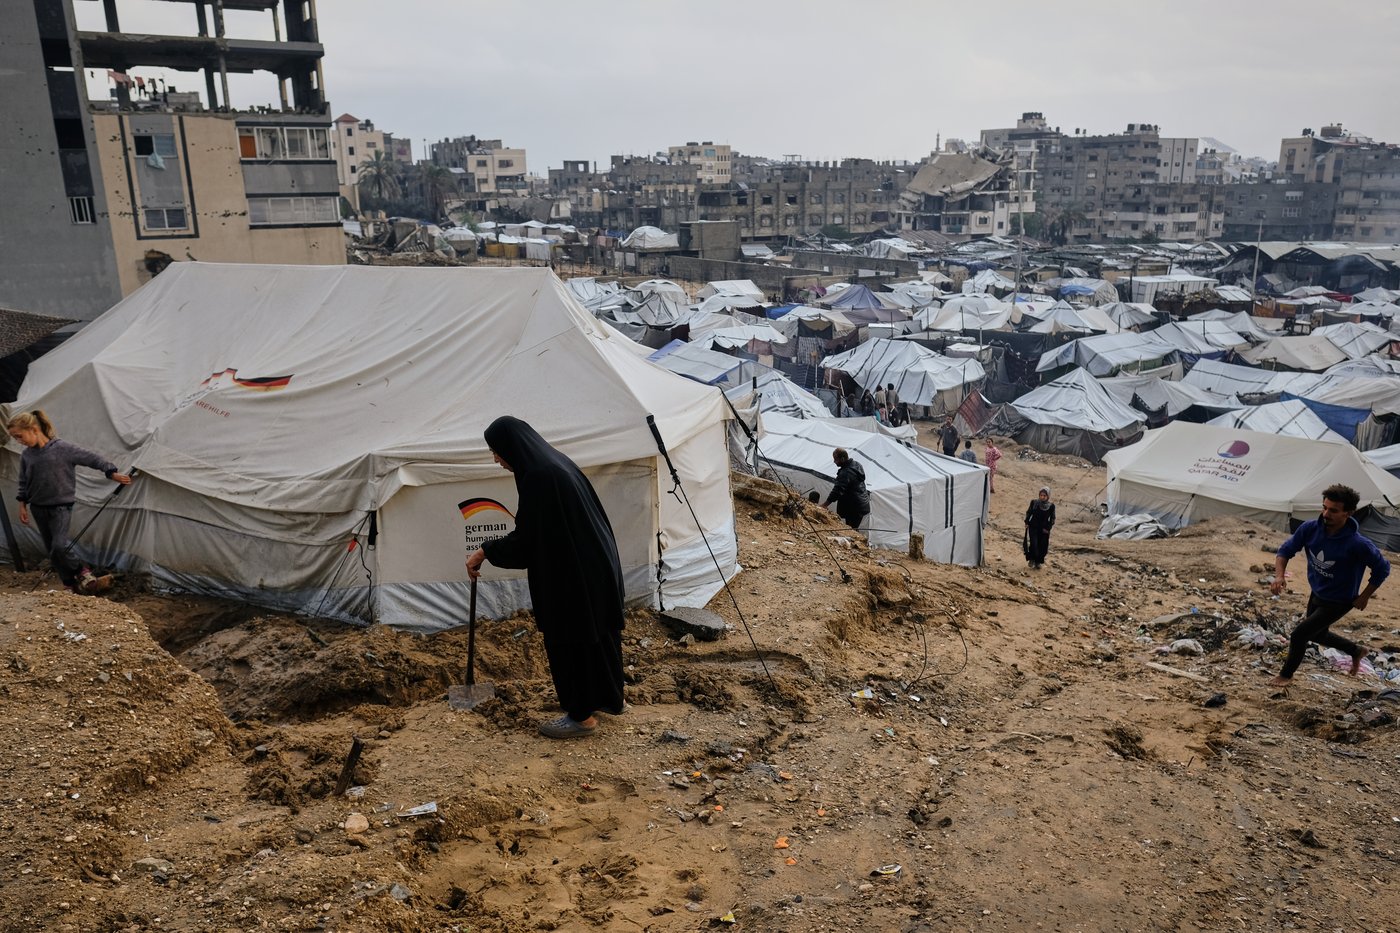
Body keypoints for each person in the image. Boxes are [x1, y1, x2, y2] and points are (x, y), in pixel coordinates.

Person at [465, 416, 626, 739]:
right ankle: (609, 700)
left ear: (511, 448)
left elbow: (527, 543)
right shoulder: (554, 463)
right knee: (597, 636)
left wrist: (485, 551)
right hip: (595, 565)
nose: (495, 459)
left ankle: (581, 717)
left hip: (573, 577)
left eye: (496, 452)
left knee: (570, 640)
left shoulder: (540, 477)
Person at [1268, 483, 1389, 686]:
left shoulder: (1358, 544)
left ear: (1348, 513)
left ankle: (1285, 675)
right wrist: (1279, 576)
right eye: (1324, 507)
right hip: (1317, 592)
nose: (1326, 513)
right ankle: (1357, 650)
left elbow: (1382, 568)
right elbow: (1284, 551)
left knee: (1299, 635)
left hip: (1340, 600)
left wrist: (1365, 595)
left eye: (1333, 510)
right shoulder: (1310, 529)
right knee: (1317, 634)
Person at [7, 410, 131, 594]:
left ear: (33, 429)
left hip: (60, 507)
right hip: (38, 508)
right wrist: (22, 504)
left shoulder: (63, 449)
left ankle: (82, 572)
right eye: (16, 438)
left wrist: (111, 472)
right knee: (52, 550)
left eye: (19, 436)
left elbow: (92, 458)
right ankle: (69, 585)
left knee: (59, 546)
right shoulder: (27, 455)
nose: (19, 441)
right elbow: (24, 481)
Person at [823, 447, 870, 531]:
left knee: (851, 528)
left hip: (854, 506)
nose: (834, 462)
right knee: (853, 527)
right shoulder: (857, 464)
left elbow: (837, 490)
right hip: (861, 503)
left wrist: (825, 504)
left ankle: (855, 542)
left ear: (842, 458)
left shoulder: (846, 472)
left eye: (836, 459)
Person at [1024, 486, 1055, 568]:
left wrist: (1048, 527)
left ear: (1048, 496)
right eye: (1041, 495)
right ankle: (1032, 559)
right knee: (1034, 544)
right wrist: (1027, 521)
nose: (1042, 497)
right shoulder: (1034, 502)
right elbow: (1029, 512)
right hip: (1033, 526)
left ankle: (1038, 562)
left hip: (1044, 529)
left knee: (1042, 546)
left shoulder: (1051, 506)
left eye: (1044, 496)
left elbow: (1052, 518)